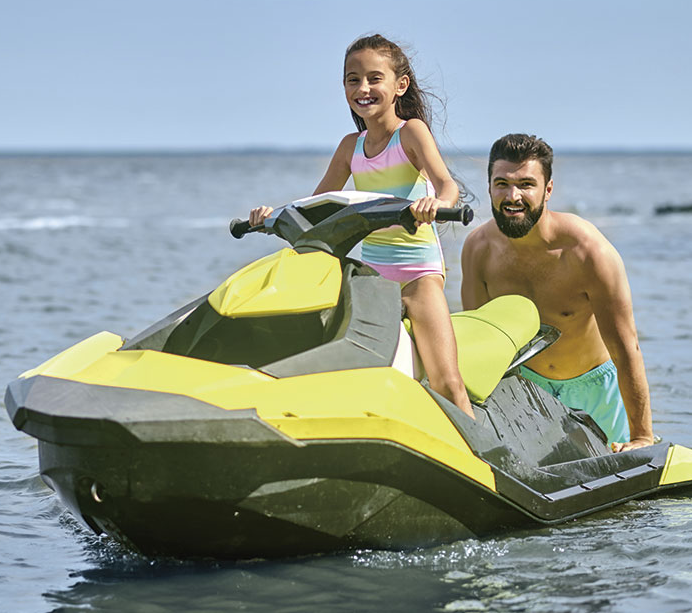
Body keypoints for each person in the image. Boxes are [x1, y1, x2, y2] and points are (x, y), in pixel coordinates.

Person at [248, 34, 473, 418]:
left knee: (445, 380)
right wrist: (272, 216)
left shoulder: (411, 133)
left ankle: (482, 466)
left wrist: (437, 203)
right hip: (371, 279)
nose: (363, 88)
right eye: (353, 79)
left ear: (399, 85)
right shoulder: (350, 146)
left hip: (417, 274)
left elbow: (447, 184)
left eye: (374, 78)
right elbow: (316, 205)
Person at [459, 133, 655, 451]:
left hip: (594, 389)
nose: (513, 196)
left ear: (548, 189)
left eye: (526, 184)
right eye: (502, 184)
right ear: (489, 187)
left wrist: (642, 437)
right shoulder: (478, 250)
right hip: (525, 389)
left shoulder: (588, 252)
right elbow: (480, 346)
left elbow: (626, 348)